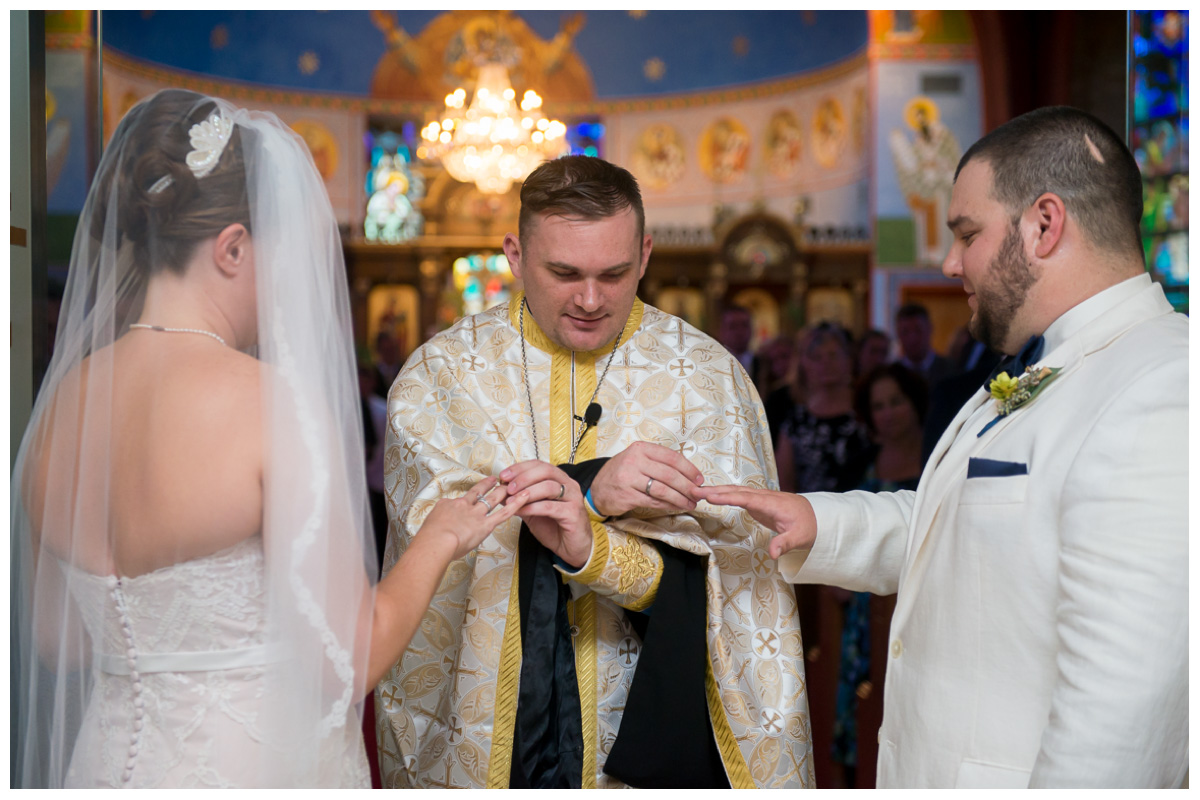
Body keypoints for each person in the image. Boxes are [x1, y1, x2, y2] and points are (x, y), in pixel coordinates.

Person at [10, 89, 531, 789]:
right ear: (232, 247)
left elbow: (57, 640)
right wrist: (441, 535)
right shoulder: (268, 405)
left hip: (105, 766)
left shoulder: (63, 402)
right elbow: (347, 662)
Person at [698, 106, 1188, 787]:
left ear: (1044, 225)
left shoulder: (1163, 386)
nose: (949, 260)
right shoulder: (1048, 363)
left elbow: (1123, 706)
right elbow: (967, 529)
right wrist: (817, 520)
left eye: (967, 232)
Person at [376, 155, 813, 789]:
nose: (589, 299)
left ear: (645, 255)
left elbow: (741, 593)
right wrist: (591, 486)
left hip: (640, 721)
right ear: (515, 255)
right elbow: (432, 543)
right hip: (482, 734)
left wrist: (599, 551)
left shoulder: (708, 381)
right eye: (563, 272)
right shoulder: (439, 376)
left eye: (613, 274)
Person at [830, 363, 928, 788]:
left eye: (896, 402)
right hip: (863, 606)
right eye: (879, 406)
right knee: (862, 704)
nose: (888, 413)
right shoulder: (860, 462)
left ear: (914, 404)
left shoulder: (937, 456)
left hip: (920, 595)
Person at [893, 303, 953, 387]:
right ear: (898, 334)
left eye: (918, 330)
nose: (912, 338)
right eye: (905, 332)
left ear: (930, 329)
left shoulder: (951, 370)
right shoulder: (892, 375)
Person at [717, 303, 758, 379]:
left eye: (744, 325)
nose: (740, 331)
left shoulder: (763, 365)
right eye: (733, 326)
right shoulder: (715, 364)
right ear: (722, 331)